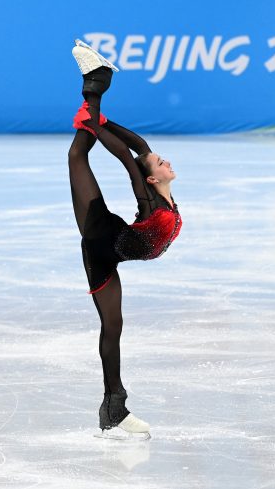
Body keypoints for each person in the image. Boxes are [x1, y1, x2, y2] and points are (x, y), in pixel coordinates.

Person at [67, 40, 182, 440]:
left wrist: (102, 122)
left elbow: (140, 148)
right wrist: (96, 125)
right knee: (77, 156)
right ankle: (93, 83)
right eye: (160, 164)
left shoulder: (162, 194)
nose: (165, 160)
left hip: (112, 247)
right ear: (152, 179)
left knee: (113, 324)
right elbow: (127, 160)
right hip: (101, 237)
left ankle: (114, 408)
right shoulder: (150, 200)